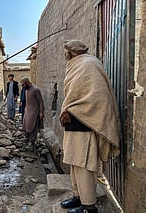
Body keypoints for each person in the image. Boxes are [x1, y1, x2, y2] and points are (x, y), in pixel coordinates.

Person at [59, 40, 121, 213]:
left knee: (84, 165)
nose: (65, 55)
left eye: (66, 52)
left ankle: (88, 205)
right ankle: (78, 197)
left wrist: (72, 111)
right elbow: (75, 94)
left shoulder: (88, 64)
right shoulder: (77, 64)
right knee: (74, 163)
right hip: (73, 124)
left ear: (71, 52)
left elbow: (96, 96)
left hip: (85, 123)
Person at [20, 77, 44, 146]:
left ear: (27, 83)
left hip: (34, 112)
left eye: (23, 85)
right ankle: (27, 138)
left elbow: (40, 101)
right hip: (27, 110)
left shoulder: (35, 89)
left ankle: (32, 140)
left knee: (33, 127)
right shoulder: (26, 89)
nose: (22, 87)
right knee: (25, 125)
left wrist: (41, 112)